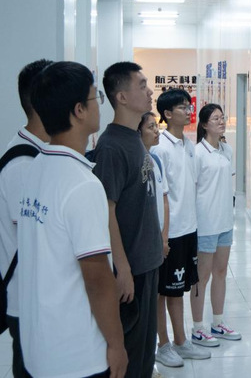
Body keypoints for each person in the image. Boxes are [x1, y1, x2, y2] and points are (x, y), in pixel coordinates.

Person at [19, 61, 126, 378]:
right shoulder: (82, 184)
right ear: (79, 110)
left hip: (40, 347)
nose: (99, 105)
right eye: (96, 98)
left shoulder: (36, 167)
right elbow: (97, 278)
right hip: (78, 355)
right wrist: (117, 344)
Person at [92, 62, 164, 378]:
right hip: (132, 269)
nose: (150, 92)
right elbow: (106, 210)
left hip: (148, 263)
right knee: (131, 357)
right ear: (121, 97)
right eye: (142, 85)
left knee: (145, 352)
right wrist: (122, 269)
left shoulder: (134, 138)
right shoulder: (110, 146)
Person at [0, 58, 52, 378]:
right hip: (30, 304)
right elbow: (36, 244)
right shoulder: (22, 166)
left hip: (43, 302)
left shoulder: (40, 153)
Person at [153, 89, 210, 367]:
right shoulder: (159, 148)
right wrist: (163, 236)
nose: (189, 111)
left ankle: (180, 341)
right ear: (167, 114)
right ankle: (162, 345)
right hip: (170, 232)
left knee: (178, 290)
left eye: (189, 106)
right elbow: (160, 197)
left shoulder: (188, 145)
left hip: (188, 228)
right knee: (162, 292)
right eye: (182, 107)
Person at [189, 104, 241, 347]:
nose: (222, 122)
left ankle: (217, 322)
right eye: (216, 118)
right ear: (204, 124)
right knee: (202, 277)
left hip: (225, 222)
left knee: (221, 273)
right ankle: (198, 328)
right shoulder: (198, 153)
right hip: (206, 224)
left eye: (223, 117)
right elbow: (192, 189)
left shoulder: (226, 150)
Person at [138, 111, 169, 262]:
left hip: (158, 238)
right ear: (138, 132)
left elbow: (164, 200)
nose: (157, 131)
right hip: (143, 242)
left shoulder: (156, 160)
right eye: (151, 127)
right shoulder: (135, 162)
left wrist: (164, 238)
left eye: (156, 126)